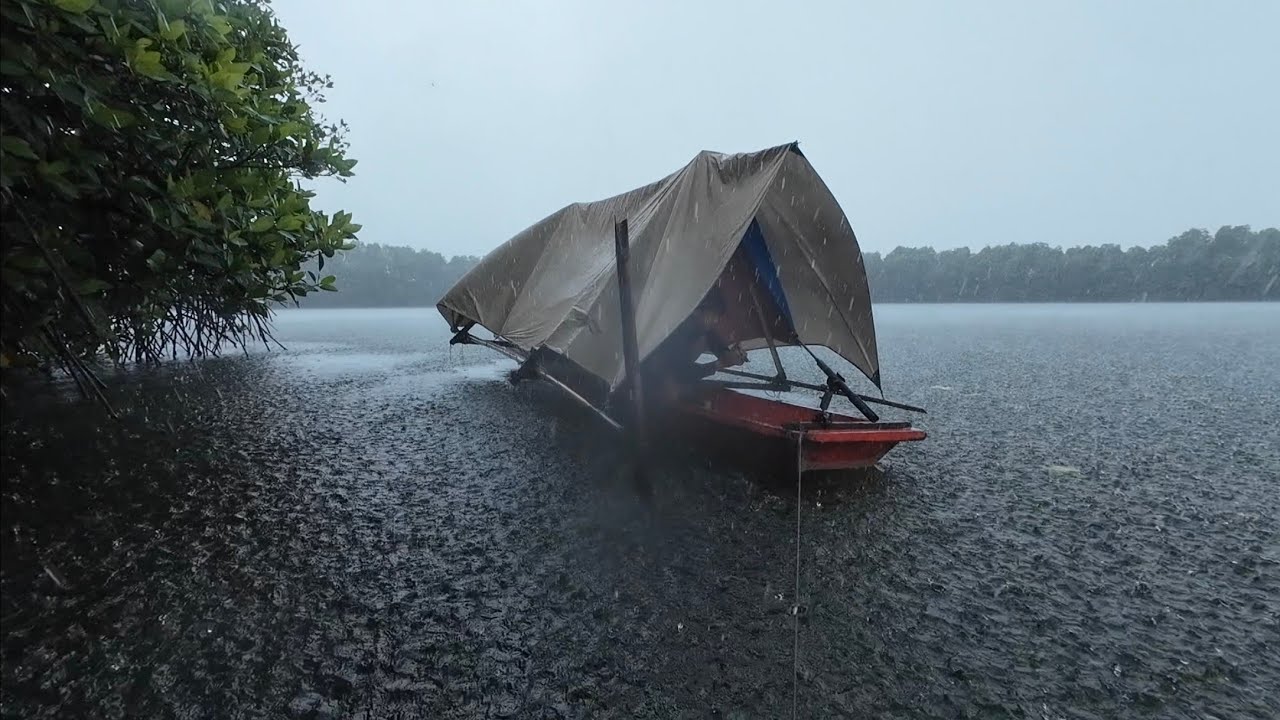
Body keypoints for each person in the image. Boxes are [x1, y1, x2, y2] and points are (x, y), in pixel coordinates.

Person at [642, 289, 747, 408]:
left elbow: (715, 342)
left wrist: (730, 355)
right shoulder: (677, 330)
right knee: (672, 390)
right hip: (650, 385)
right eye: (713, 315)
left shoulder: (702, 329)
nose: (716, 320)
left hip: (672, 378)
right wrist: (718, 364)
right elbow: (681, 372)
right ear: (697, 310)